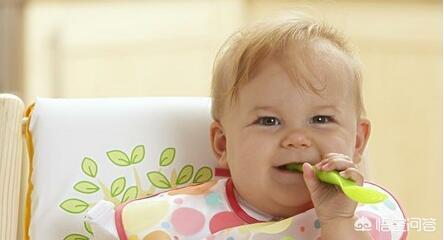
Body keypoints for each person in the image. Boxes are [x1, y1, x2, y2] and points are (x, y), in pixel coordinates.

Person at [87, 12, 407, 240]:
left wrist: (338, 221)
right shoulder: (174, 223)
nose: (296, 138)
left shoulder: (365, 222)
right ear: (223, 144)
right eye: (269, 121)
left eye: (321, 119)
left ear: (357, 142)